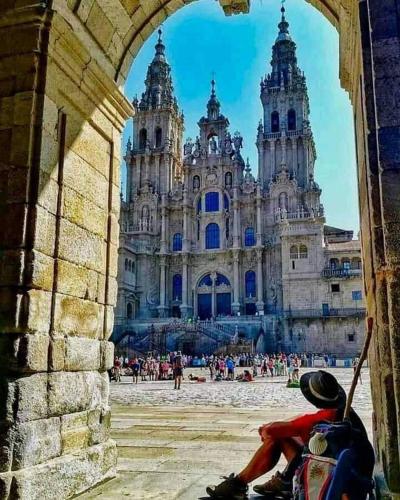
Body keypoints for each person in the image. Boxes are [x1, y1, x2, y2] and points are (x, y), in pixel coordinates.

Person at [206, 370, 369, 499]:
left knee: (276, 439)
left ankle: (238, 484)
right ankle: (283, 480)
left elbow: (270, 431)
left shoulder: (320, 419)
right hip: (354, 474)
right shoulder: (343, 414)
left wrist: (267, 430)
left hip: (333, 477)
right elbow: (298, 424)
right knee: (288, 436)